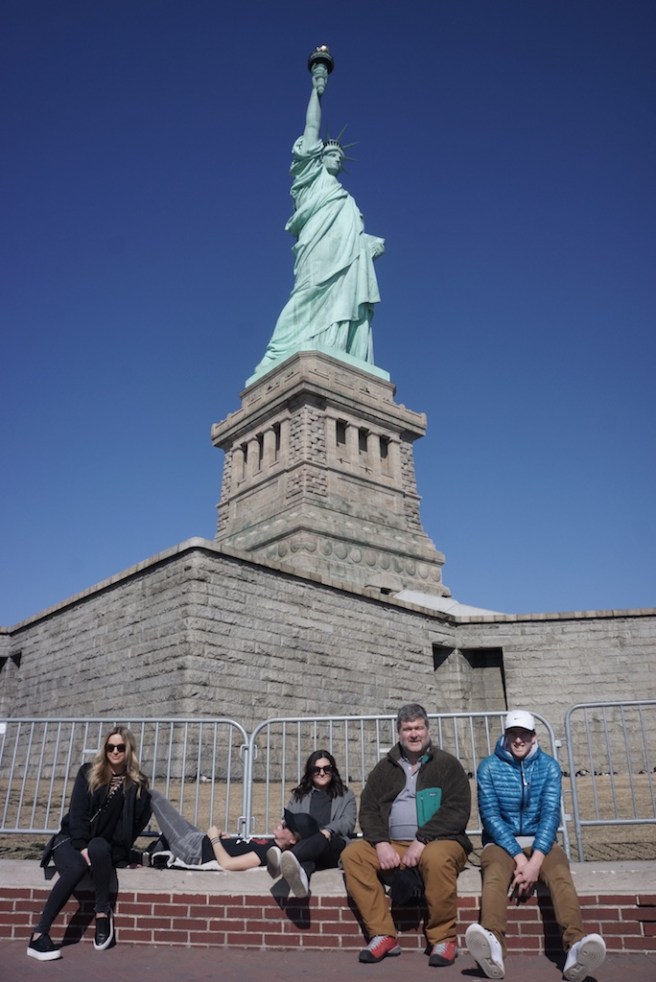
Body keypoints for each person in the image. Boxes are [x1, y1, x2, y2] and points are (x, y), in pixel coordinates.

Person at [253, 50, 384, 377]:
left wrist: (367, 246)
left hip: (344, 259)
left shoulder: (347, 200)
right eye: (331, 152)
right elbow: (312, 126)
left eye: (340, 155)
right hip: (317, 249)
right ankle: (277, 354)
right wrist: (317, 87)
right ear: (318, 157)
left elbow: (355, 239)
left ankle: (339, 350)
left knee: (343, 298)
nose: (336, 157)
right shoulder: (308, 180)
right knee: (307, 294)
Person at [465, 710, 606, 982]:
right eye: (513, 734)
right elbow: (491, 817)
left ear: (534, 737)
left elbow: (550, 815)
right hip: (501, 843)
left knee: (560, 877)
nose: (518, 740)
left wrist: (536, 861)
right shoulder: (489, 767)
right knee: (494, 875)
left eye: (524, 735)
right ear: (505, 737)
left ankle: (575, 946)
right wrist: (520, 860)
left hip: (541, 842)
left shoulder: (549, 766)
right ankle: (493, 944)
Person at [341, 703, 472, 967]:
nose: (414, 734)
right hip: (394, 845)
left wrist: (422, 840)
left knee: (435, 858)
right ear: (399, 732)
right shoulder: (384, 768)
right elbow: (368, 809)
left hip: (441, 842)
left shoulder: (447, 764)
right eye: (408, 729)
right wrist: (380, 843)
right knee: (352, 854)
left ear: (428, 729)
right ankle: (382, 934)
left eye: (419, 728)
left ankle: (443, 939)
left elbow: (457, 810)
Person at [27, 726, 151, 961]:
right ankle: (38, 935)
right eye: (110, 747)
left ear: (129, 750)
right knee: (78, 866)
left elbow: (136, 823)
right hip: (70, 840)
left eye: (120, 747)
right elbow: (78, 814)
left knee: (98, 848)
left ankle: (102, 914)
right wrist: (82, 846)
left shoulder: (137, 785)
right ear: (104, 749)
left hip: (102, 846)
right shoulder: (89, 772)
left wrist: (123, 855)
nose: (115, 751)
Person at [148, 789, 315, 872]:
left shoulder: (270, 852)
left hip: (194, 850)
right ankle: (147, 856)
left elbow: (228, 864)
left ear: (293, 840)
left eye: (286, 825)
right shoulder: (271, 844)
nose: (281, 823)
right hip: (199, 841)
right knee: (164, 837)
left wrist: (214, 839)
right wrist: (226, 840)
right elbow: (239, 849)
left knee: (153, 796)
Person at [266, 749, 356, 897]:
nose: (322, 773)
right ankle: (302, 880)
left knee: (320, 838)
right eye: (317, 769)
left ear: (333, 771)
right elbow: (292, 822)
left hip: (333, 846)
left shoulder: (346, 795)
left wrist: (327, 831)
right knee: (306, 859)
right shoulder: (299, 796)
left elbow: (348, 823)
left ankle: (282, 862)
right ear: (310, 771)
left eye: (327, 769)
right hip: (306, 847)